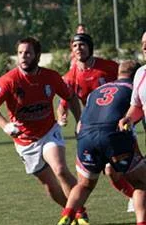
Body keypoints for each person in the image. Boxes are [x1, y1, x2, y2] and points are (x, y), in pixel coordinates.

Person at [0, 37, 88, 225]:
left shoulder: (51, 77)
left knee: (60, 169)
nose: (24, 57)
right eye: (20, 53)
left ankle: (79, 211)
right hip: (25, 142)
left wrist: (79, 121)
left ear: (37, 56)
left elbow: (71, 97)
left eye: (28, 53)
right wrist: (5, 126)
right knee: (49, 187)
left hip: (49, 132)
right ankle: (70, 211)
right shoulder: (9, 80)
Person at [52, 61, 146, 225]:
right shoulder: (133, 88)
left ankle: (66, 216)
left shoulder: (98, 90)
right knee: (141, 183)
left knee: (85, 185)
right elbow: (133, 116)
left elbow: (82, 121)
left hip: (86, 136)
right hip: (113, 136)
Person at [57, 33, 134, 204]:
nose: (79, 49)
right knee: (110, 172)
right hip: (94, 126)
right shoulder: (70, 76)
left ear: (90, 47)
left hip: (119, 122)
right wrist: (62, 114)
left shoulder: (108, 67)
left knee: (128, 166)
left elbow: (131, 82)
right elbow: (64, 101)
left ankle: (137, 195)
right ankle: (134, 197)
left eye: (82, 45)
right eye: (75, 46)